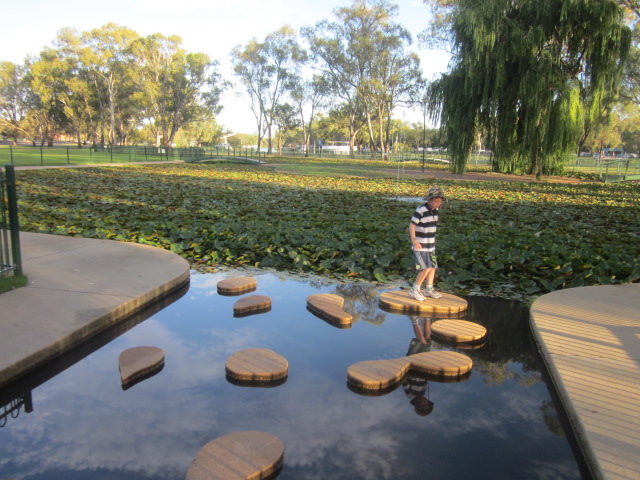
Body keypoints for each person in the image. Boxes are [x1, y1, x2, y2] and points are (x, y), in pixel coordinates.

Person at [408, 186, 446, 301]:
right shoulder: (421, 210)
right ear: (429, 200)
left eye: (440, 201)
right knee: (425, 268)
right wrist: (414, 240)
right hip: (420, 246)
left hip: (431, 246)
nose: (438, 203)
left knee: (433, 267)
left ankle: (428, 289)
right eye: (435, 201)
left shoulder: (436, 210)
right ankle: (414, 289)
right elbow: (412, 225)